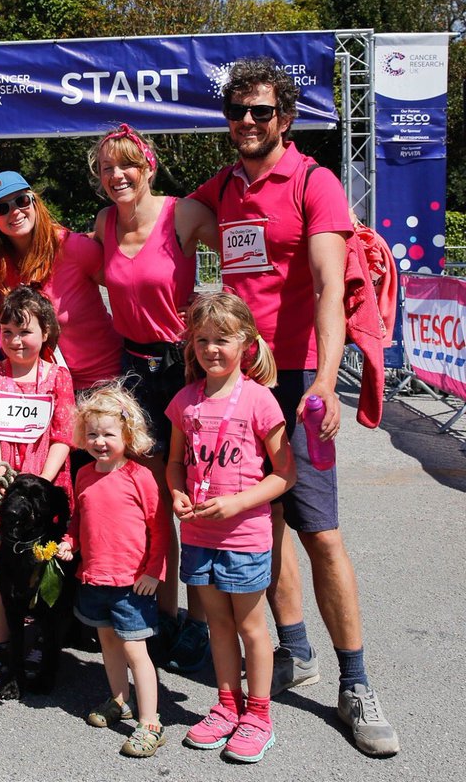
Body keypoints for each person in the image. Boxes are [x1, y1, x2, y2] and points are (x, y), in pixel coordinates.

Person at [190, 57, 400, 757]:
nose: (248, 123)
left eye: (262, 112)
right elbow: (146, 222)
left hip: (300, 375)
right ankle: (294, 647)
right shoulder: (219, 188)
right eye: (238, 111)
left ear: (286, 117)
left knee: (320, 530)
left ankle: (356, 680)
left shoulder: (315, 182)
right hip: (241, 380)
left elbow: (327, 286)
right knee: (261, 519)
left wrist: (324, 381)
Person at [88, 124, 219, 673]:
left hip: (184, 365)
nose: (118, 176)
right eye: (107, 169)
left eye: (127, 166)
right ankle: (160, 613)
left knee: (195, 494)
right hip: (134, 370)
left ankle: (201, 620)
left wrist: (221, 345)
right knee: (152, 496)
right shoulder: (103, 223)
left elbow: (230, 268)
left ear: (148, 167)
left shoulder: (184, 215)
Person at [166, 292, 295, 764]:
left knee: (249, 625)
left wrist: (238, 502)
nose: (211, 349)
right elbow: (176, 463)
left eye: (222, 339)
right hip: (199, 535)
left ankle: (258, 715)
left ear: (247, 343)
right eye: (202, 340)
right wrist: (177, 493)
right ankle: (225, 705)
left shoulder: (261, 401)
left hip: (244, 537)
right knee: (217, 623)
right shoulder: (185, 400)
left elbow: (285, 474)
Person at [0, 286, 74, 693]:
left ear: (46, 332)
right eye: (7, 332)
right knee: (1, 570)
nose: (15, 341)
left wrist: (41, 484)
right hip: (1, 486)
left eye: (25, 332)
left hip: (45, 483)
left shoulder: (58, 377)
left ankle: (40, 642)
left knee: (45, 566)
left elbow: (63, 434)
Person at [58, 383, 170, 758]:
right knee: (107, 643)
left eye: (108, 434)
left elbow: (160, 527)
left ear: (128, 434)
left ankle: (150, 720)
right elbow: (79, 520)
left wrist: (154, 571)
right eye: (92, 434)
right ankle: (119, 699)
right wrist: (70, 542)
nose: (100, 441)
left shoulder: (140, 477)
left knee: (136, 649)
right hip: (94, 577)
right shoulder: (84, 474)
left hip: (131, 583)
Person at [0, 171, 122, 395]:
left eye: (22, 200)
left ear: (34, 202)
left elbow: (127, 286)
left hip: (99, 383)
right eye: (2, 208)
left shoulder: (73, 248)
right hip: (38, 389)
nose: (15, 211)